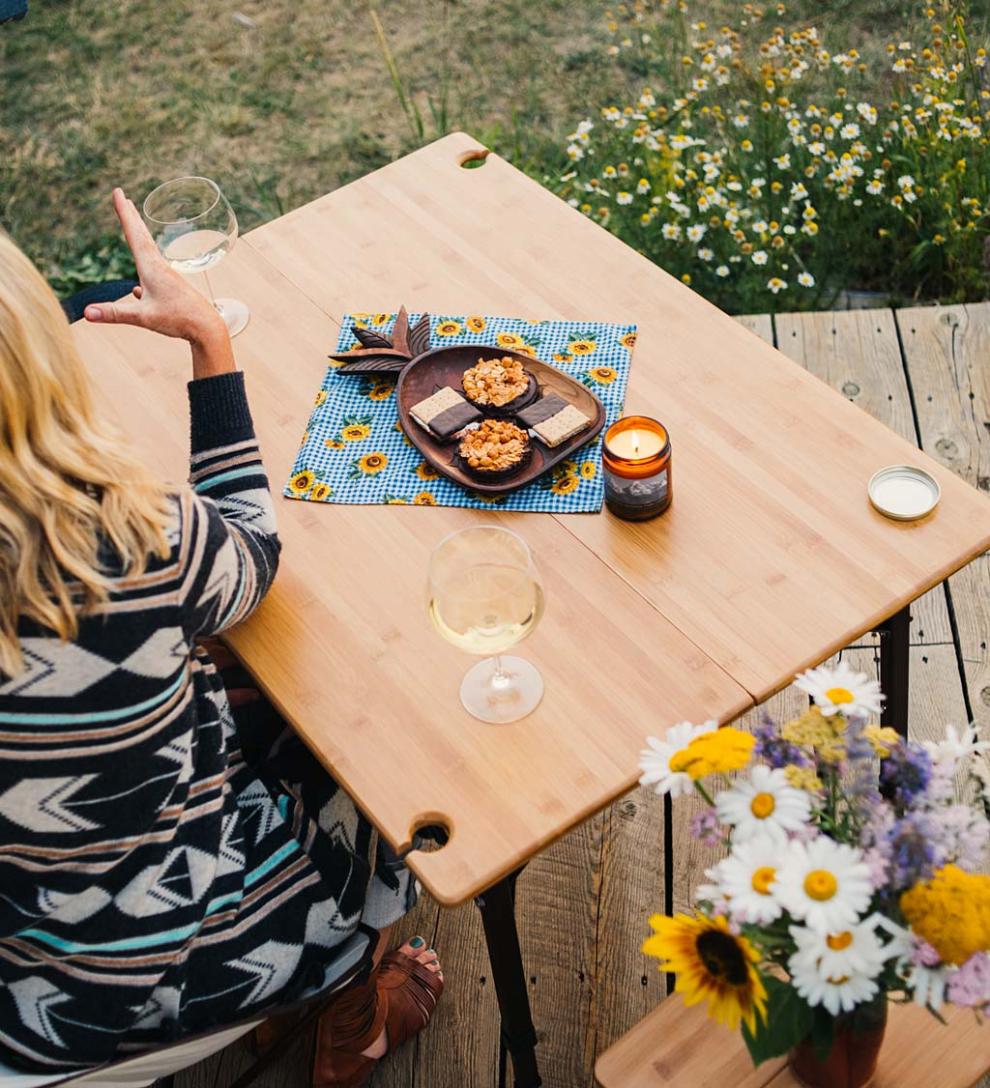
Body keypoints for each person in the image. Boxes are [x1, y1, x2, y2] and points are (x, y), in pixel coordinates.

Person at [0, 191, 442, 1087]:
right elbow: (251, 555)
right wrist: (209, 340)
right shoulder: (119, 541)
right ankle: (350, 1022)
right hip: (136, 971)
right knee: (378, 746)